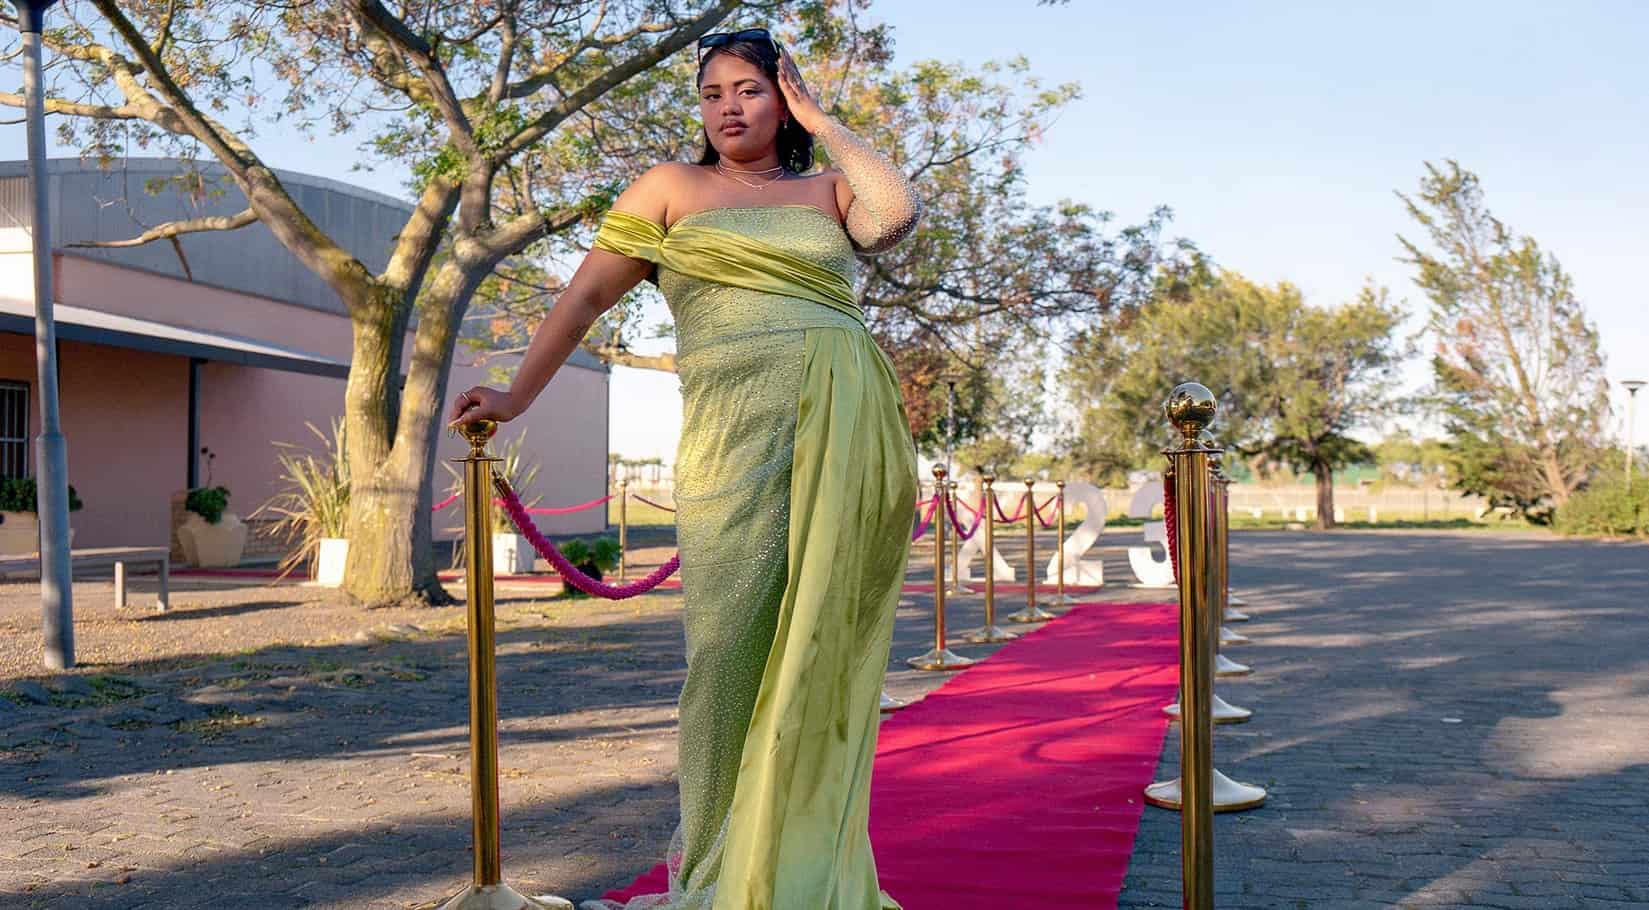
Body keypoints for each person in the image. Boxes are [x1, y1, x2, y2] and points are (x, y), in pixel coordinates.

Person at [448, 27, 921, 910]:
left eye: (749, 89)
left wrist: (826, 118)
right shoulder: (670, 188)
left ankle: (794, 863)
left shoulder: (827, 190)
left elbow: (892, 215)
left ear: (783, 98)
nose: (728, 108)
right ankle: (712, 867)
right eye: (712, 93)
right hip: (731, 439)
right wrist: (516, 396)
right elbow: (586, 294)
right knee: (724, 650)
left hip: (846, 428)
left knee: (824, 643)